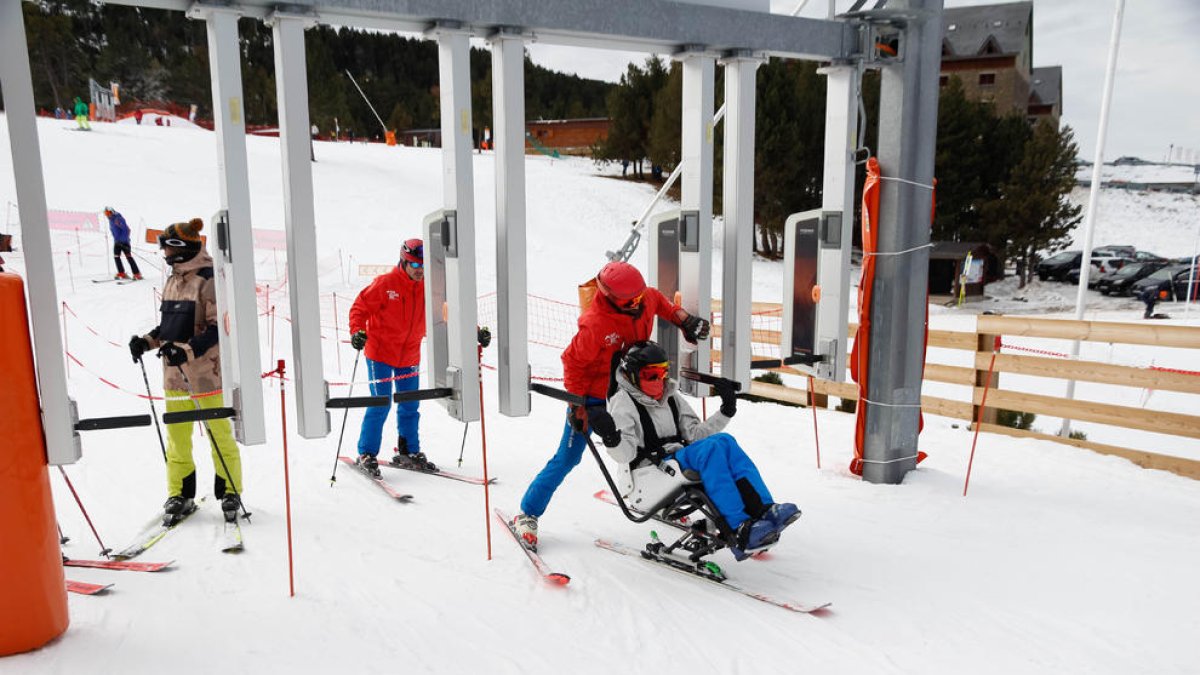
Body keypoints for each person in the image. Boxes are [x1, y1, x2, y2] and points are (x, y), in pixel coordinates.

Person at [511, 261, 711, 549]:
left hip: (632, 393)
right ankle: (528, 513)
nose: (638, 303)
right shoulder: (596, 323)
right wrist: (579, 407)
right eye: (631, 300)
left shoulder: (644, 298)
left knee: (660, 445)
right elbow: (573, 362)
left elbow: (660, 302)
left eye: (639, 297)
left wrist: (685, 320)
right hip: (594, 399)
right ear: (612, 298)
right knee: (567, 458)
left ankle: (664, 498)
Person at [593, 340, 801, 560]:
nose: (659, 380)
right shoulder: (623, 403)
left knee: (725, 442)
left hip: (675, 461)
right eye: (651, 375)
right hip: (648, 476)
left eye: (663, 372)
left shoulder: (669, 395)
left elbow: (694, 435)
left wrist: (726, 411)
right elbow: (625, 455)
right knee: (711, 449)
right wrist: (611, 437)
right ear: (633, 375)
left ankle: (764, 510)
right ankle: (738, 526)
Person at [128, 218, 244, 524]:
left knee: (218, 435)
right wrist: (147, 341)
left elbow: (218, 328)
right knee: (177, 438)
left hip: (206, 374)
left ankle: (230, 491)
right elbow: (169, 327)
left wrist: (187, 350)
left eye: (166, 245)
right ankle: (179, 493)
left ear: (179, 247)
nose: (163, 251)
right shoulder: (173, 279)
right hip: (174, 377)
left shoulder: (207, 279)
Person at [348, 238, 428, 477]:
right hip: (380, 353)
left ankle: (409, 450)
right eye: (414, 266)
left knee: (410, 404)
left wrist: (474, 332)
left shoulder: (429, 287)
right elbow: (359, 308)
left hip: (410, 354)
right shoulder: (386, 283)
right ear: (403, 263)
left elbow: (450, 311)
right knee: (380, 403)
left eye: (422, 267)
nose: (419, 271)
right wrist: (357, 332)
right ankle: (367, 453)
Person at [104, 207, 141, 280]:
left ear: (112, 212)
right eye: (106, 214)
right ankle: (121, 272)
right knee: (116, 256)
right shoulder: (111, 220)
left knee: (128, 257)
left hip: (124, 242)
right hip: (117, 242)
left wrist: (122, 240)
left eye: (108, 213)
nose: (107, 215)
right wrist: (116, 240)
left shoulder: (118, 219)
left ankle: (137, 274)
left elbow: (126, 230)